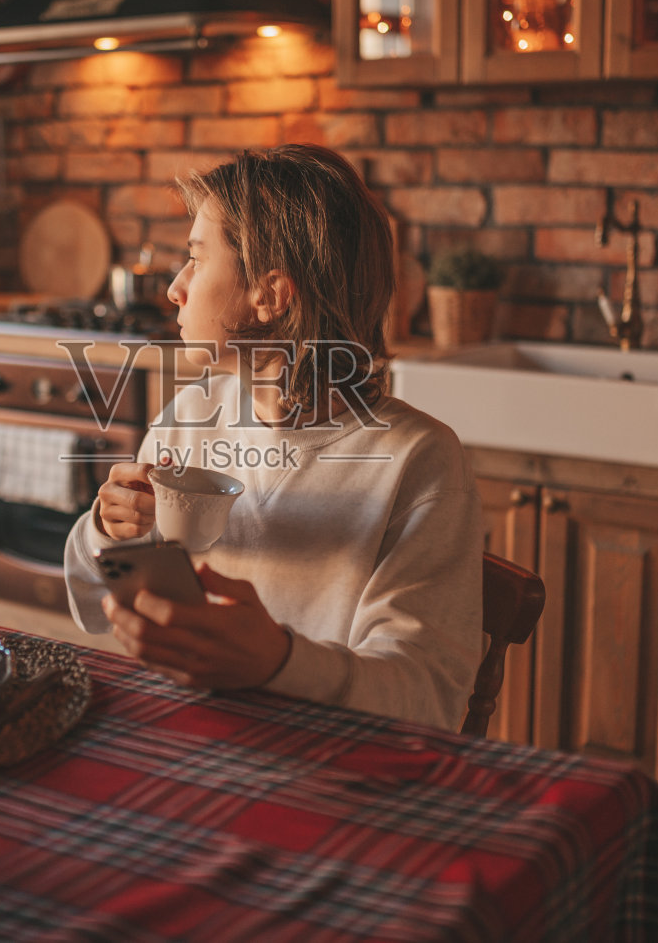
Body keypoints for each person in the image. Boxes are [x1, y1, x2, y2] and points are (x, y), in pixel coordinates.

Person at [62, 144, 482, 731]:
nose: (174, 289)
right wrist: (107, 533)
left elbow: (428, 696)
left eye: (197, 260)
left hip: (327, 767)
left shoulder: (418, 461)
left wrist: (279, 663)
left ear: (272, 296)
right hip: (193, 737)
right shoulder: (188, 417)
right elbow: (90, 603)